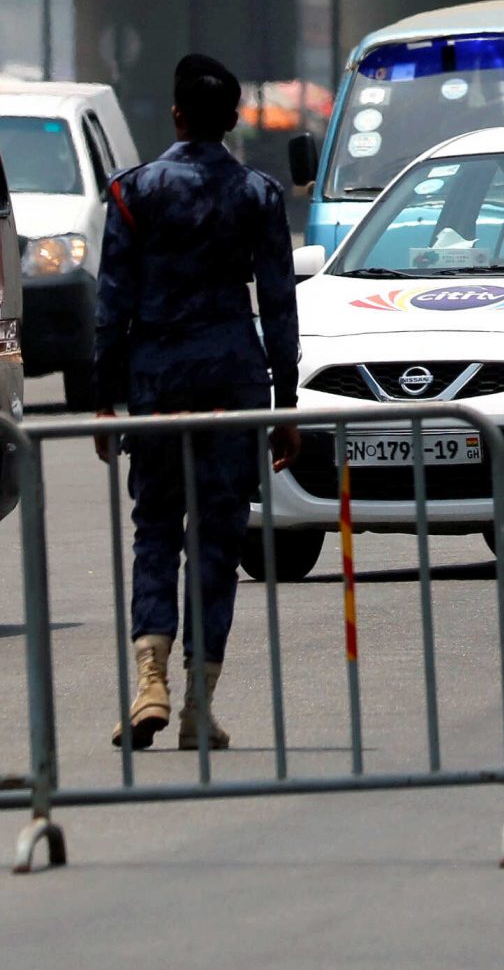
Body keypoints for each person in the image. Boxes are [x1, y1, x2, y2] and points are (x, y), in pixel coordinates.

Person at [96, 55, 301, 750]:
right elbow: (277, 304)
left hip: (158, 388)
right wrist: (286, 400)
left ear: (178, 115)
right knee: (215, 540)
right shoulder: (259, 196)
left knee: (154, 526)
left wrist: (104, 400)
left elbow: (111, 307)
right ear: (234, 121)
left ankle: (148, 680)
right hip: (233, 387)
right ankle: (195, 704)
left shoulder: (134, 193)